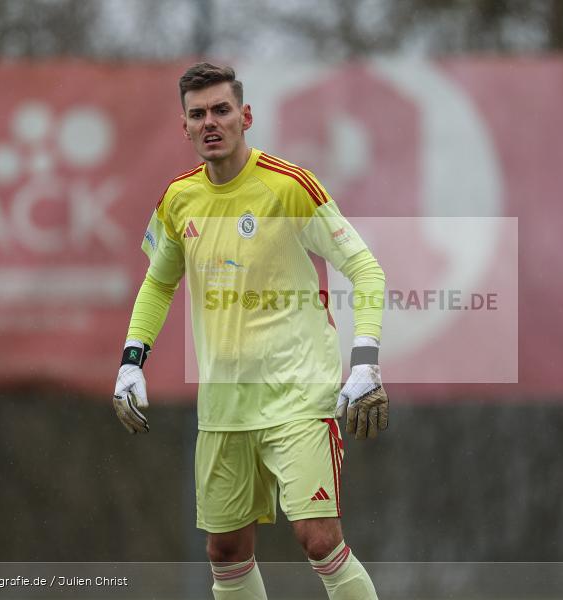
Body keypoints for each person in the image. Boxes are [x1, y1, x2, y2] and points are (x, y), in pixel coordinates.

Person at [112, 62, 388, 600]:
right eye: (197, 114)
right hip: (224, 405)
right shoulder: (178, 199)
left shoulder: (289, 187)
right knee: (226, 553)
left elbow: (366, 269)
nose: (210, 122)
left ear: (246, 116)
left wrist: (366, 362)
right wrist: (130, 360)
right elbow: (158, 284)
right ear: (184, 127)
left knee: (318, 539)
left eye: (221, 110)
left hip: (298, 394)